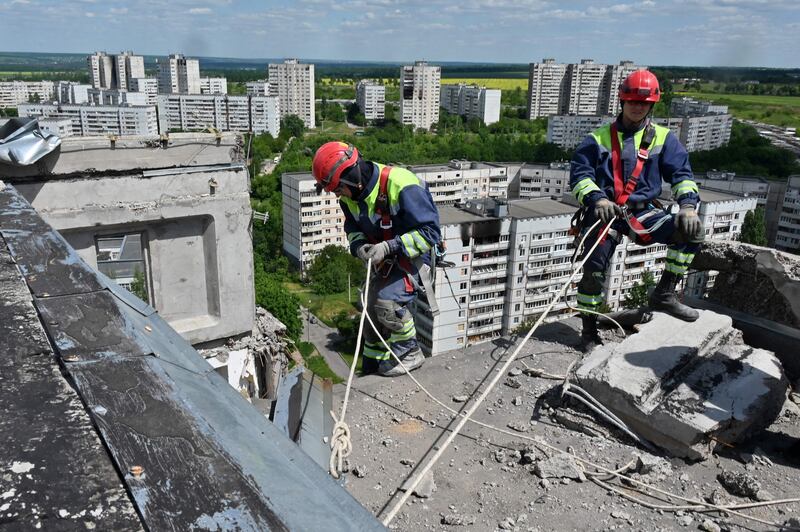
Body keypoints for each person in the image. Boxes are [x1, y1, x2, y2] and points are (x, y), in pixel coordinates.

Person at [569, 69, 704, 350]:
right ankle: (589, 330)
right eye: (632, 101)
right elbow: (580, 176)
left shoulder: (664, 139)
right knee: (593, 272)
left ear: (651, 105)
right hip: (604, 213)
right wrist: (597, 199)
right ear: (622, 101)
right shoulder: (597, 139)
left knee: (690, 231)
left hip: (642, 212)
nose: (637, 106)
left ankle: (665, 294)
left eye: (643, 103)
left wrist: (688, 206)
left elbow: (682, 174)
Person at [311, 141, 441, 376]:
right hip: (385, 259)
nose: (337, 195)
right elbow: (352, 226)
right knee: (370, 309)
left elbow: (430, 233)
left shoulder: (401, 185)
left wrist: (389, 247)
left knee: (386, 303)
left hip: (411, 256)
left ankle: (409, 351)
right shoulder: (350, 195)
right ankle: (373, 362)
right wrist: (359, 245)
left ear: (351, 177)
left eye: (338, 189)